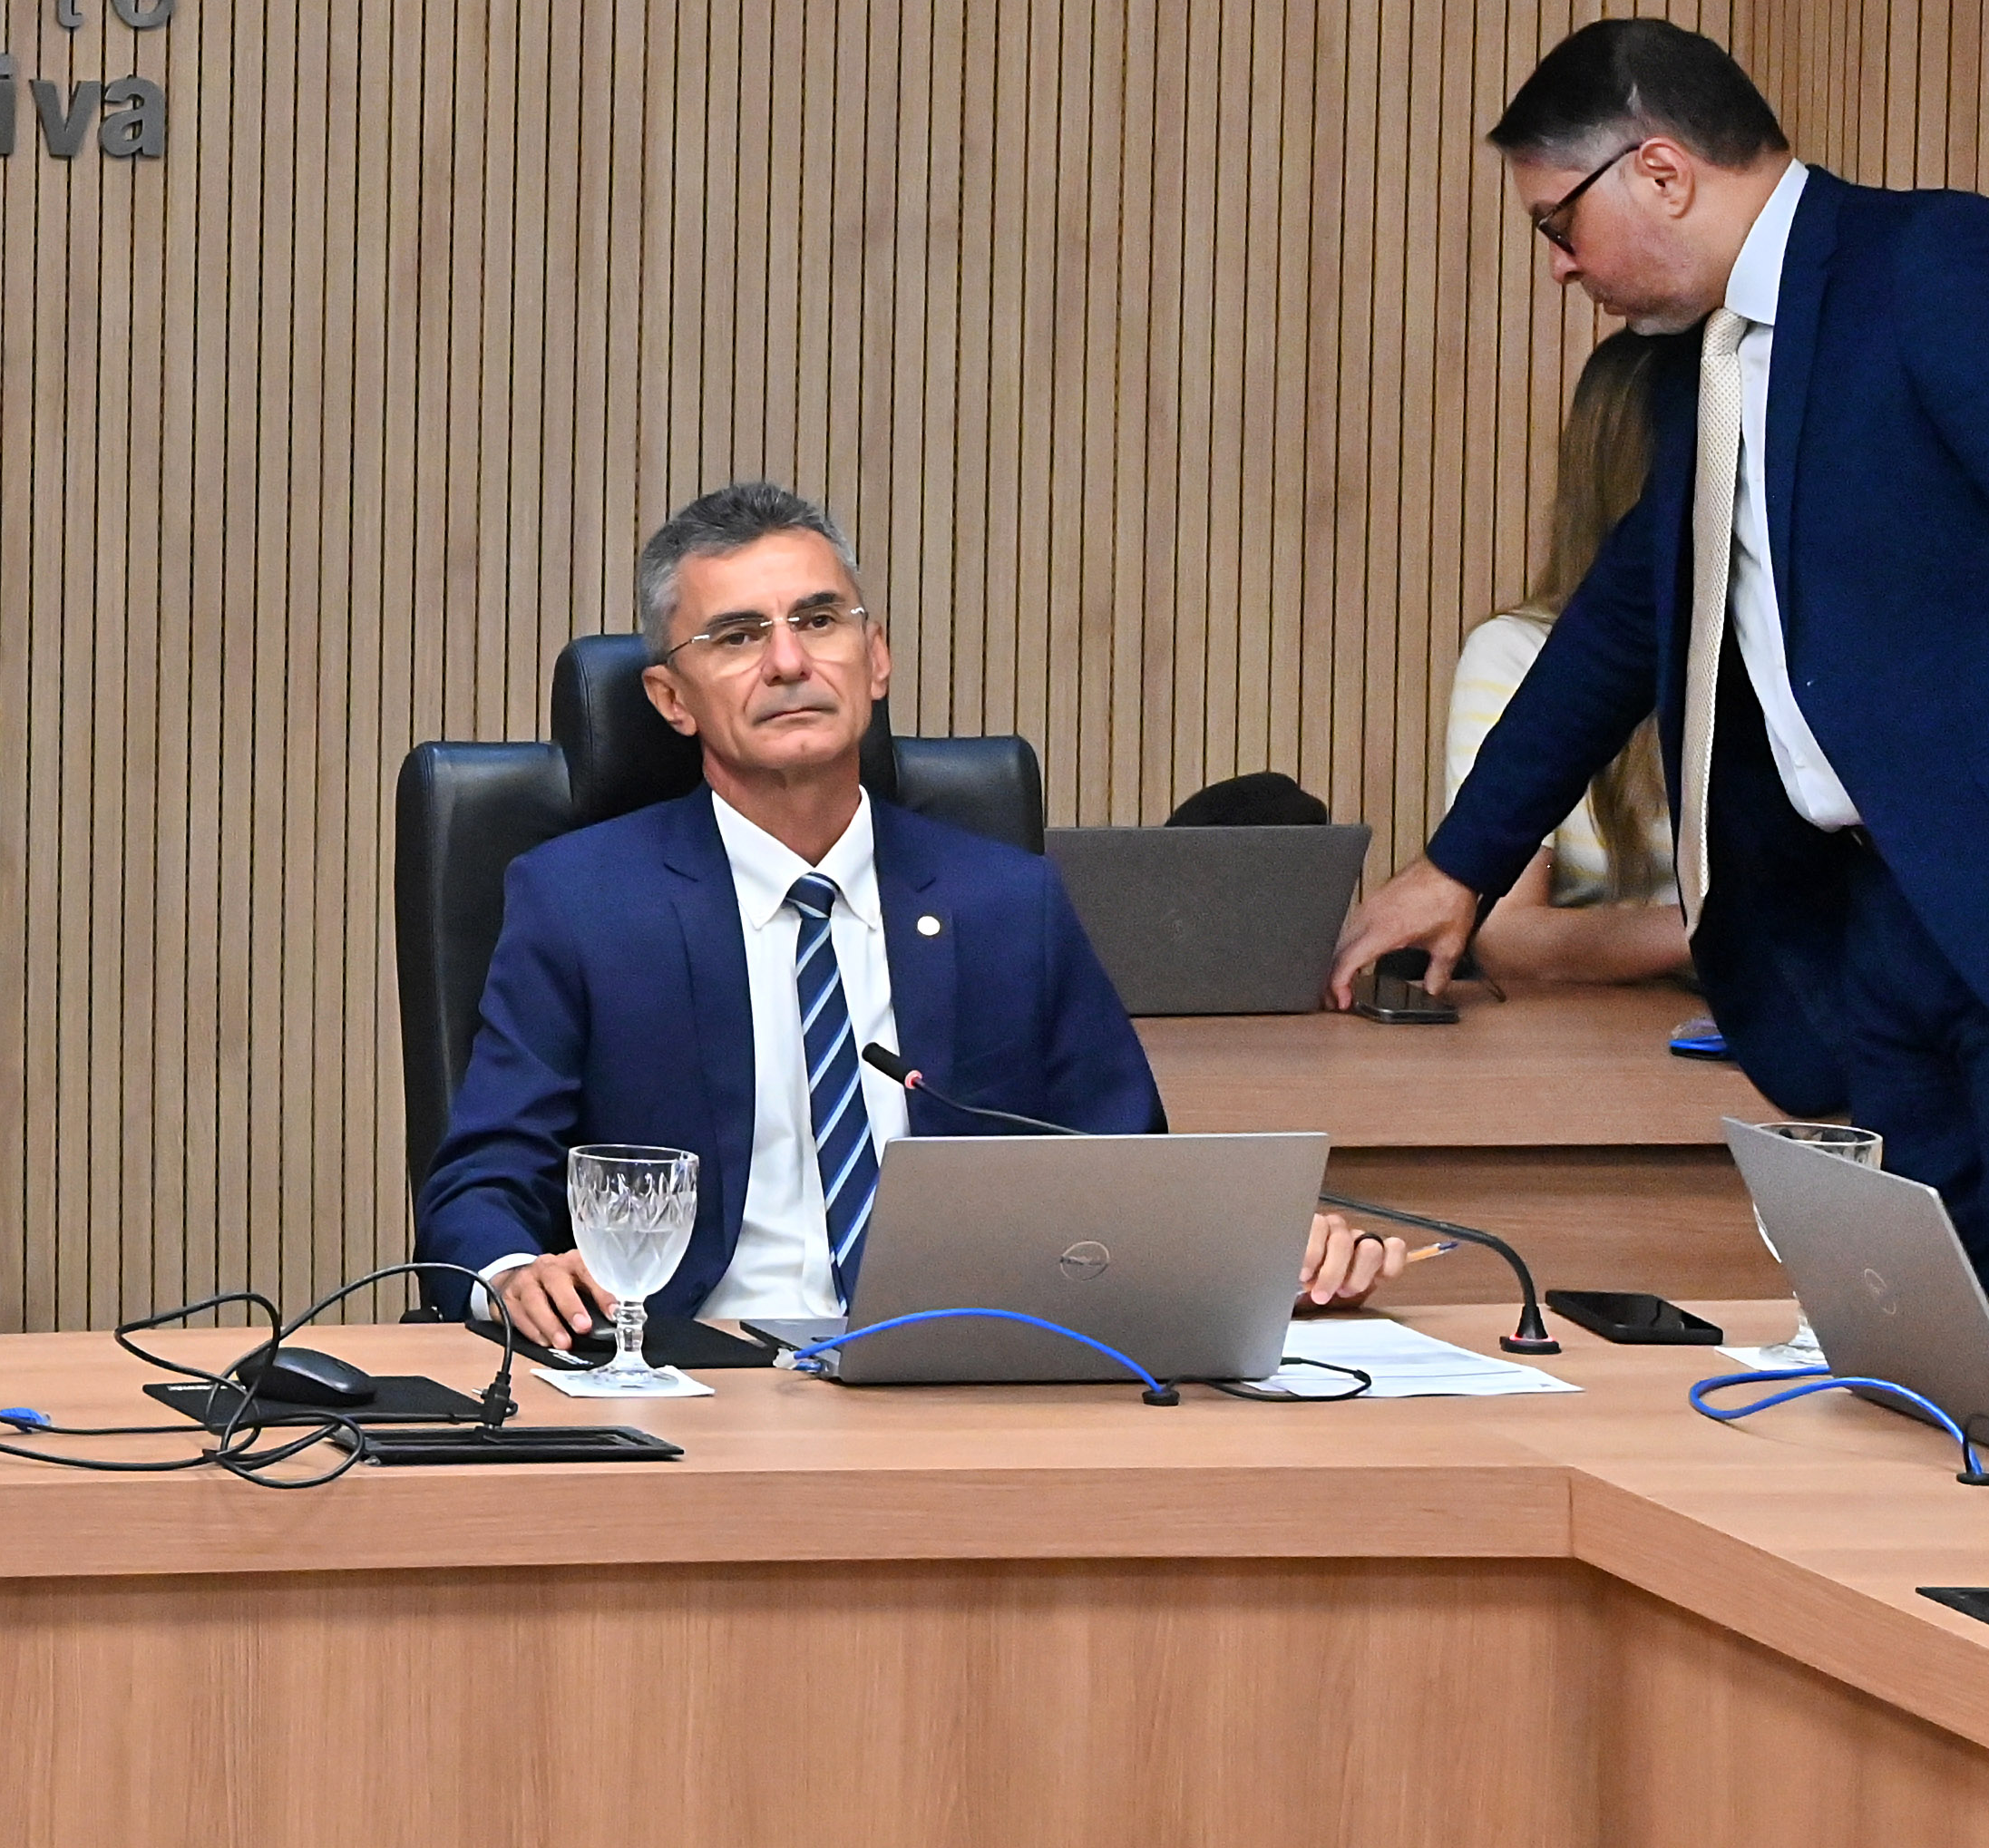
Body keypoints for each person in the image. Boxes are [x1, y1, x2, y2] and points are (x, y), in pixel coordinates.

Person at [430, 485, 1399, 1348]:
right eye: (737, 636)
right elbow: (482, 1184)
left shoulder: (1007, 902)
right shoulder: (583, 903)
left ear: (876, 656)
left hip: (957, 1369)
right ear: (670, 698)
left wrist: (1279, 1257)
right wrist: (513, 1273)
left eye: (820, 620)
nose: (788, 662)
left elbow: (1128, 1182)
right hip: (691, 1367)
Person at [1346, 20, 1989, 1241]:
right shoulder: (1697, 369)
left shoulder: (1930, 266)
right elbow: (1615, 629)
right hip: (1873, 928)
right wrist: (1459, 865)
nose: (1560, 267)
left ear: (1659, 171)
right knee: (1929, 1318)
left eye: (1558, 224)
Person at [1428, 326, 1692, 990]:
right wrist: (1724, 937)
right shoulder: (1516, 653)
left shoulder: (1779, 653)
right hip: (1584, 1028)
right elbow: (1508, 936)